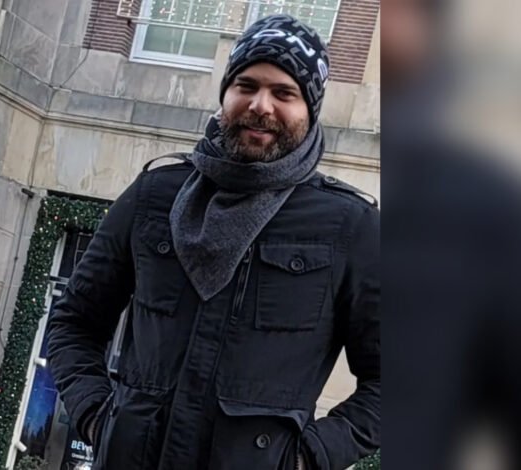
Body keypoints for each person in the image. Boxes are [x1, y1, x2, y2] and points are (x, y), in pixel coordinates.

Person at [46, 14, 380, 470]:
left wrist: (306, 458)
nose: (260, 105)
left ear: (310, 108)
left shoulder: (349, 226)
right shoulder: (155, 196)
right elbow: (74, 322)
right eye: (246, 85)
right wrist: (98, 418)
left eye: (284, 93)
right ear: (226, 92)